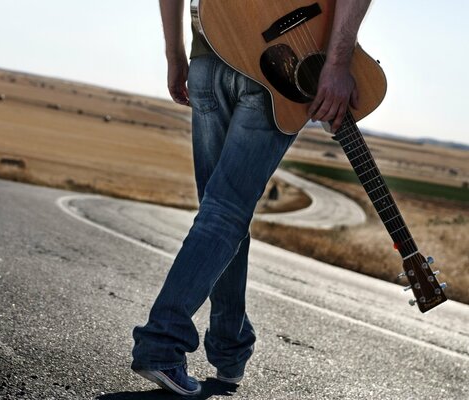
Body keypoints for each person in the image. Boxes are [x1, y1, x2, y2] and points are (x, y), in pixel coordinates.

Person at [131, 0, 372, 396]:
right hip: (276, 60)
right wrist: (336, 64)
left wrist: (175, 54)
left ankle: (229, 348)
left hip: (209, 55)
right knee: (225, 214)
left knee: (222, 215)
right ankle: (162, 342)